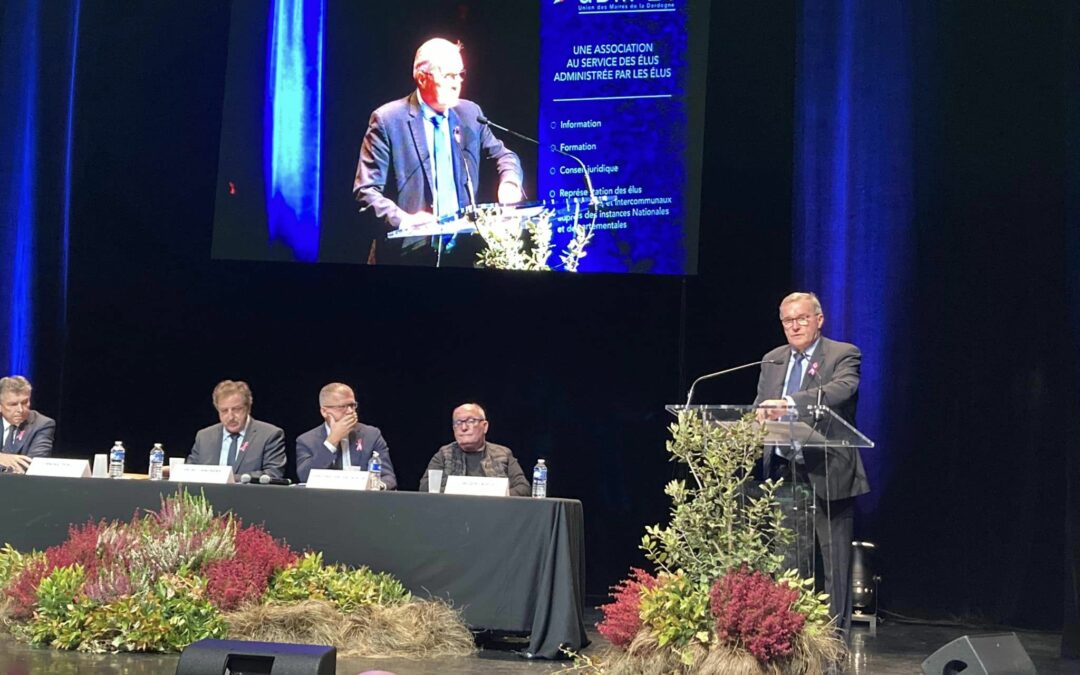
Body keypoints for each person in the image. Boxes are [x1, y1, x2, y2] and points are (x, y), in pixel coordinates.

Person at [753, 292, 869, 635]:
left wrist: (789, 404)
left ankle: (834, 641)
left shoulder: (843, 354)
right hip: (785, 474)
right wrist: (759, 416)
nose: (795, 326)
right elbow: (760, 404)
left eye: (801, 318)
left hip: (828, 471)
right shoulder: (773, 359)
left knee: (834, 565)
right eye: (788, 321)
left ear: (819, 319)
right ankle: (791, 637)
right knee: (789, 564)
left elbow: (840, 391)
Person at [354, 37, 523, 266]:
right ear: (422, 78)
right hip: (407, 257)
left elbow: (505, 156)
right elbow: (366, 193)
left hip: (464, 254)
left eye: (460, 74)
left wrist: (510, 184)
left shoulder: (470, 114)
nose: (457, 83)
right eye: (449, 76)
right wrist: (404, 220)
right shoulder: (388, 120)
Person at [294, 383, 397, 488]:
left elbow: (388, 477)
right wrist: (332, 441)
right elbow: (305, 477)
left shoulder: (371, 435)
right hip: (324, 501)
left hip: (364, 501)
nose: (350, 411)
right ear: (324, 411)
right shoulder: (306, 440)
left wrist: (376, 487)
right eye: (343, 406)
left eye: (352, 405)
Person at [419, 403, 530, 496]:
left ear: (485, 426)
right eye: (458, 423)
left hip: (494, 515)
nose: (464, 428)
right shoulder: (444, 454)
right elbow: (425, 488)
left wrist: (496, 495)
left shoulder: (503, 454)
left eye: (471, 421)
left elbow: (524, 489)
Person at [187, 380, 286, 480]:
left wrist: (229, 479)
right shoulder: (204, 437)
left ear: (248, 408)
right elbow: (188, 471)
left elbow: (273, 474)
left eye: (237, 409)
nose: (230, 417)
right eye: (224, 411)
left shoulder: (269, 435)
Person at [0, 376, 54, 473]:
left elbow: (33, 465)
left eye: (25, 402)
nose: (20, 410)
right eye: (13, 404)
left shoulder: (42, 424)